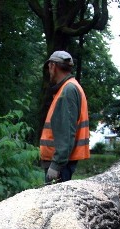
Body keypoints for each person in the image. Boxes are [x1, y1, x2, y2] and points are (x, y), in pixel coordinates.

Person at [40, 51, 90, 183]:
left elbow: (66, 132)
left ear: (53, 66)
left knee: (55, 203)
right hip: (63, 163)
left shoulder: (67, 90)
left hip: (60, 164)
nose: (49, 72)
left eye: (49, 68)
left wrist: (56, 165)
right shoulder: (70, 87)